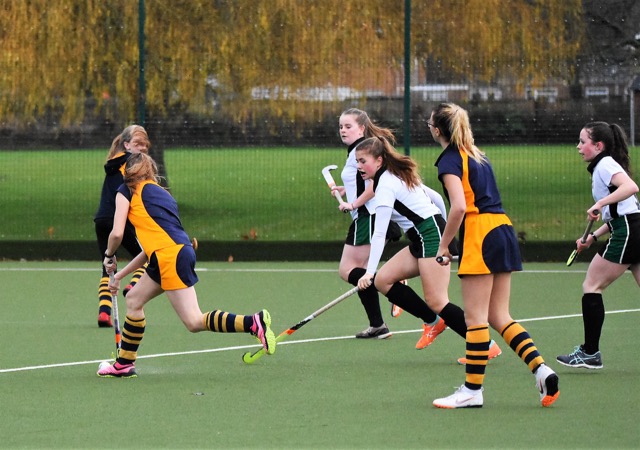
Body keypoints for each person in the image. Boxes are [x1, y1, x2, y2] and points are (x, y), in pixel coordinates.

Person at [97, 153, 276, 378]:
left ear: (127, 171)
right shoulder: (162, 194)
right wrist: (119, 275)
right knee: (133, 299)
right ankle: (124, 364)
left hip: (168, 256)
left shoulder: (127, 190)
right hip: (174, 252)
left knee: (193, 321)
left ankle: (252, 322)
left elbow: (116, 233)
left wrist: (109, 255)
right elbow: (149, 249)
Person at [430, 102, 559, 409]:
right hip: (502, 228)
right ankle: (542, 370)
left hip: (480, 232)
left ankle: (472, 391)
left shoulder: (449, 160)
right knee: (499, 316)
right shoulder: (478, 154)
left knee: (475, 319)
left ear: (436, 130)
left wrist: (444, 246)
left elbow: (459, 207)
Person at [351, 137, 502, 359]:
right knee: (383, 281)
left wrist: (368, 272)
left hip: (430, 236)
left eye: (363, 161)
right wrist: (443, 227)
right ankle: (433, 322)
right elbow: (437, 199)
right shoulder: (395, 175)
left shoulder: (385, 185)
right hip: (422, 237)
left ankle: (485, 346)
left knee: (437, 301)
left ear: (379, 160)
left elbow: (380, 233)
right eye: (357, 161)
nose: (359, 166)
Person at [557, 121, 640, 369]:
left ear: (598, 146)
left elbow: (631, 188)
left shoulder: (605, 165)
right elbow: (622, 211)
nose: (578, 146)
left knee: (591, 285)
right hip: (632, 228)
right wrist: (593, 237)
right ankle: (590, 352)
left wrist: (600, 203)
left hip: (627, 232)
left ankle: (590, 352)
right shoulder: (604, 166)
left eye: (583, 142)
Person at [94, 125, 150, 328]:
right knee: (146, 258)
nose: (142, 148)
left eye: (145, 144)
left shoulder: (113, 161)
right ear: (126, 145)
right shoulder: (135, 164)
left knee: (107, 266)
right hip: (119, 220)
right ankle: (132, 286)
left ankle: (104, 313)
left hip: (101, 219)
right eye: (138, 143)